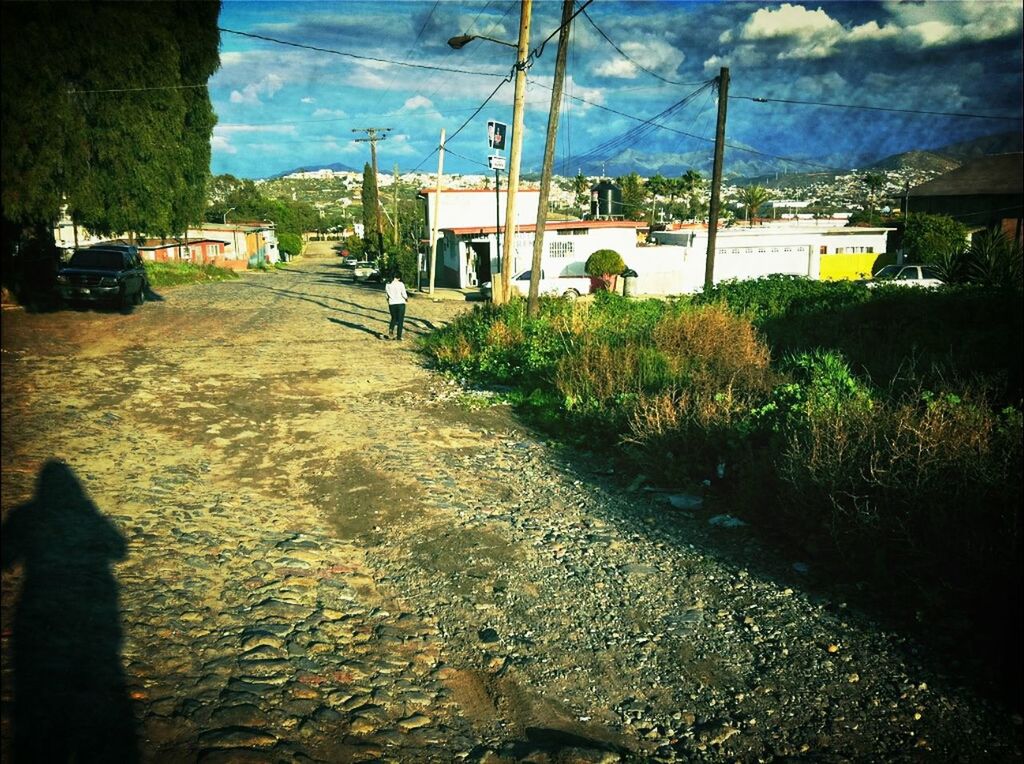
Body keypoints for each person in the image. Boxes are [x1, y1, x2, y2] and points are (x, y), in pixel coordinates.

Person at [384, 272, 409, 340]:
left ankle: (391, 330)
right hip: (401, 303)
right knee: (400, 320)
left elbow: (386, 295)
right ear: (399, 277)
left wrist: (388, 301)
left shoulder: (388, 284)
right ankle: (399, 336)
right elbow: (404, 294)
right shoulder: (401, 284)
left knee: (394, 318)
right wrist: (406, 299)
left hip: (392, 303)